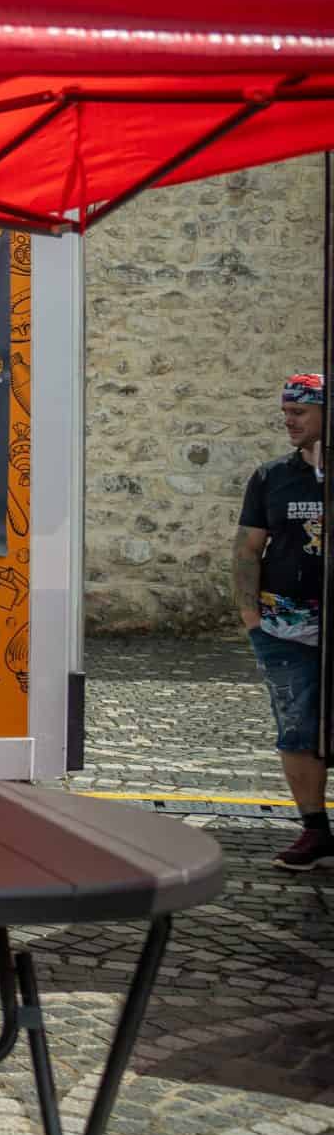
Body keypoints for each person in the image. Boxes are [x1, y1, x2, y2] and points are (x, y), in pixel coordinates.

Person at [235, 371, 329, 871]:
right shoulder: (271, 476)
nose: (288, 421)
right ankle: (315, 830)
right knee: (295, 728)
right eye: (285, 412)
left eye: (299, 412)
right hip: (284, 630)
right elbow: (248, 548)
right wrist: (252, 618)